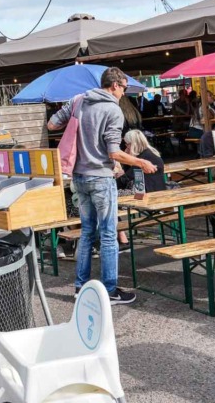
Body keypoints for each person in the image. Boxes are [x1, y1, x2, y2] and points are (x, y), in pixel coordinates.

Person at [47, 67, 158, 305]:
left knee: (87, 233)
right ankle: (109, 290)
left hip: (78, 176)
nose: (124, 93)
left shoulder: (78, 100)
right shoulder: (112, 110)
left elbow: (52, 125)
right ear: (115, 85)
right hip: (100, 177)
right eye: (124, 88)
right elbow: (114, 152)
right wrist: (141, 161)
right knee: (108, 235)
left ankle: (80, 286)